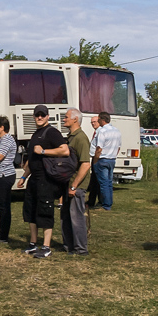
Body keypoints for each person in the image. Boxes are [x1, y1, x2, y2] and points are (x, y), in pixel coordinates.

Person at [22, 104, 68, 258]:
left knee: (45, 211)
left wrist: (43, 151)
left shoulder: (51, 132)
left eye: (42, 115)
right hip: (33, 179)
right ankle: (33, 244)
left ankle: (46, 246)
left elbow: (64, 150)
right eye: (37, 115)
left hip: (46, 180)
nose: (39, 117)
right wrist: (23, 177)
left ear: (48, 116)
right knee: (31, 211)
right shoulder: (36, 134)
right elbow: (32, 160)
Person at [60, 108, 92, 255]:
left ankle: (80, 249)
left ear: (75, 120)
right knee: (65, 216)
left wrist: (74, 186)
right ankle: (69, 246)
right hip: (68, 184)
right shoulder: (71, 137)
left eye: (66, 117)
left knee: (76, 217)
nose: (64, 119)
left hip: (76, 186)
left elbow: (85, 164)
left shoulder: (80, 138)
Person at [92, 111, 121, 211]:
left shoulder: (102, 131)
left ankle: (106, 204)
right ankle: (109, 202)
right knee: (109, 183)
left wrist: (95, 160)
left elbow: (99, 148)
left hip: (103, 159)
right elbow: (118, 147)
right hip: (112, 159)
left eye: (99, 119)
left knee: (103, 183)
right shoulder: (117, 131)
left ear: (102, 120)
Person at [86, 115, 101, 209]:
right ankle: (91, 200)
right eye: (91, 122)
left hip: (97, 159)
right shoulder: (96, 132)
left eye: (94, 122)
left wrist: (96, 159)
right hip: (93, 157)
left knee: (98, 181)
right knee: (93, 181)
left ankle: (99, 201)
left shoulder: (100, 132)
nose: (93, 124)